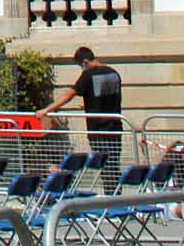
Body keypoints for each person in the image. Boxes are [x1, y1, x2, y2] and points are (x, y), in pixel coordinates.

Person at [36, 46, 123, 186]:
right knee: (113, 165)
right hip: (116, 128)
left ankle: (110, 199)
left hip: (98, 130)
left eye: (80, 65)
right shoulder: (114, 73)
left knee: (104, 168)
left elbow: (69, 95)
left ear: (84, 62)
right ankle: (115, 196)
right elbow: (107, 98)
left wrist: (46, 109)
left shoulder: (88, 75)